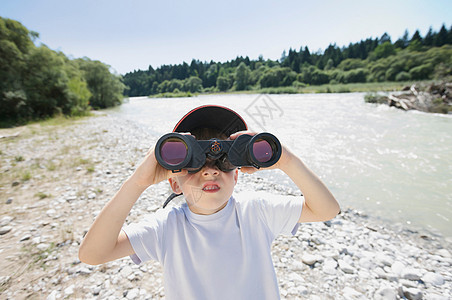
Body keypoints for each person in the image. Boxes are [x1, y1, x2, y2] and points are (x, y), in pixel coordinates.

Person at [79, 105, 340, 299]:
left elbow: (327, 209)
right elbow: (93, 254)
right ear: (173, 182)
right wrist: (137, 183)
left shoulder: (256, 211)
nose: (210, 170)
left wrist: (285, 159)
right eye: (194, 163)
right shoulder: (165, 228)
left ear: (237, 174)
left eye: (224, 161)